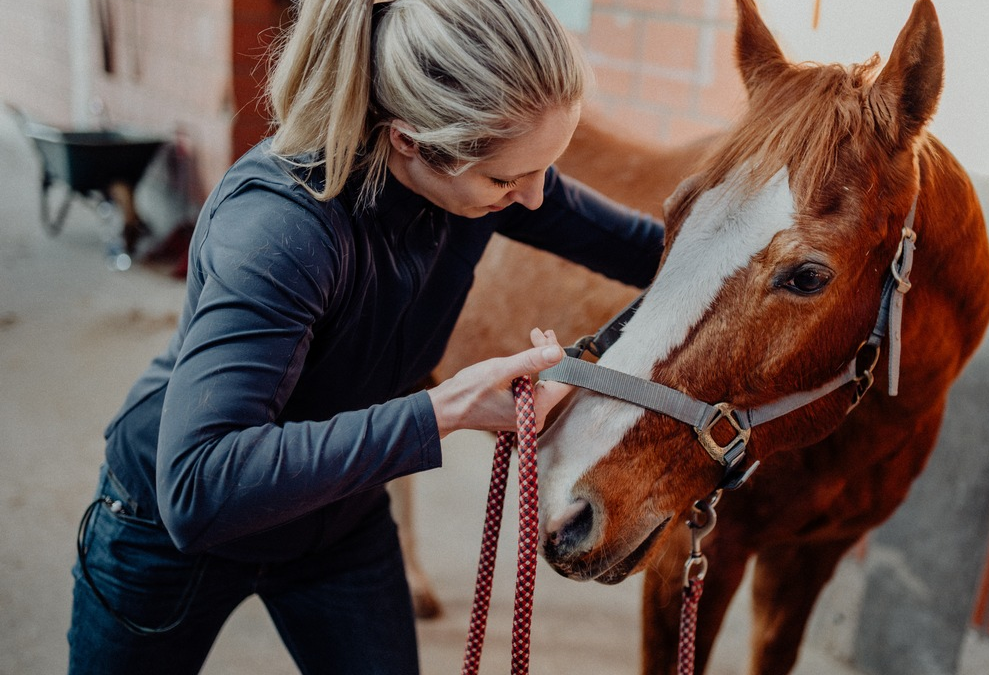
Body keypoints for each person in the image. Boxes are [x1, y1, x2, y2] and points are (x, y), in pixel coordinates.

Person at [66, 0, 663, 672]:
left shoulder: (482, 177)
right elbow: (201, 486)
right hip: (176, 531)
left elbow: (657, 255)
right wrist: (443, 410)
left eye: (541, 170)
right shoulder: (280, 228)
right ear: (408, 139)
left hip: (337, 518)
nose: (532, 198)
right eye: (506, 178)